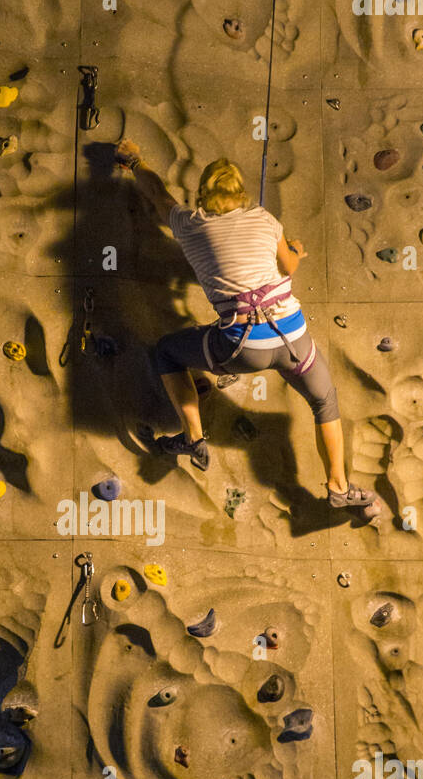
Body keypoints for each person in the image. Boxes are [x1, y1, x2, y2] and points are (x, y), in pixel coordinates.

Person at [115, 139, 377, 513]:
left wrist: (136, 161)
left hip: (242, 348)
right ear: (239, 194)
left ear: (203, 194)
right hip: (294, 338)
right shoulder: (265, 220)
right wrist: (296, 250)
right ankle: (338, 485)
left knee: (168, 352)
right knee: (324, 401)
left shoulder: (189, 225)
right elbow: (288, 267)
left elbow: (159, 195)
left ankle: (192, 436)